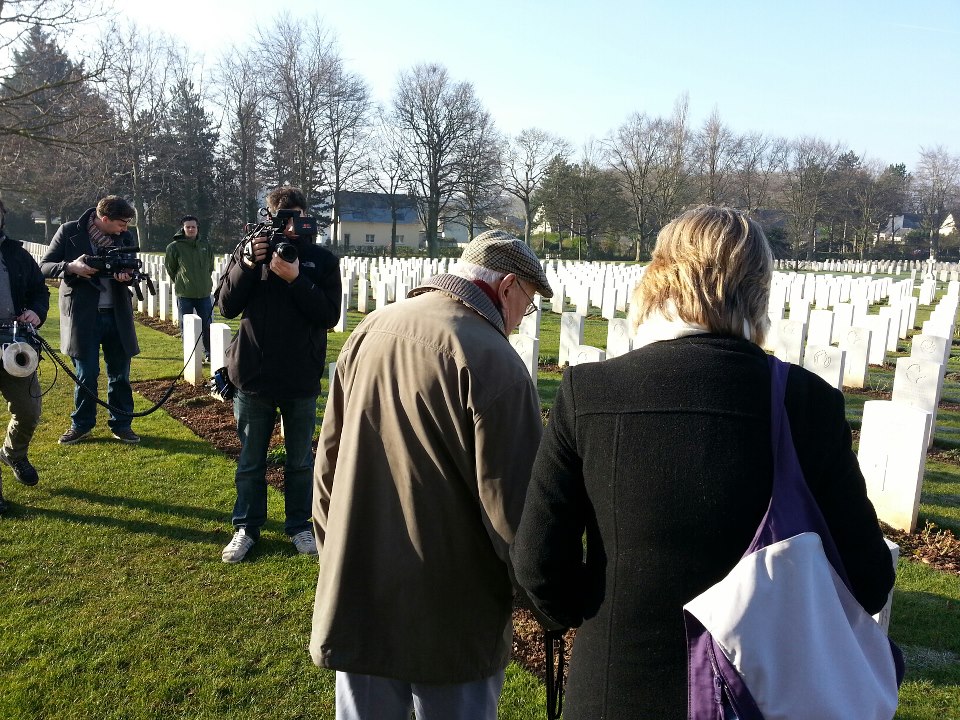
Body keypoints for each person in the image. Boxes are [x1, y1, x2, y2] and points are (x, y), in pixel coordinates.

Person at [510, 206, 896, 719]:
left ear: (659, 276)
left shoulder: (588, 394)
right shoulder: (807, 403)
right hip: (762, 693)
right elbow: (867, 576)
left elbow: (538, 568)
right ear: (758, 289)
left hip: (616, 687)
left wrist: (613, 600)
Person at [309, 229, 553, 720]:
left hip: (359, 589)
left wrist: (334, 551)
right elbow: (514, 509)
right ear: (506, 288)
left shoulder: (372, 327)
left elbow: (328, 464)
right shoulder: (494, 362)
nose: (521, 319)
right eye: (525, 305)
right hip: (450, 613)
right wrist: (541, 593)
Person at [217, 186, 341, 563]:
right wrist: (248, 265)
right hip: (253, 373)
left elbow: (329, 316)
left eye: (298, 217)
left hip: (300, 376)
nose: (291, 227)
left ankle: (300, 525)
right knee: (251, 459)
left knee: (300, 460)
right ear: (270, 217)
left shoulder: (321, 260)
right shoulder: (249, 252)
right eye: (283, 218)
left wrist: (295, 277)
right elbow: (225, 306)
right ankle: (247, 527)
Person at [40, 196, 141, 445]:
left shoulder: (125, 238)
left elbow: (133, 272)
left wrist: (126, 277)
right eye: (122, 223)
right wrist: (71, 267)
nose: (125, 229)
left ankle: (122, 423)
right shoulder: (69, 231)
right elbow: (43, 266)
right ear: (104, 219)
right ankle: (81, 424)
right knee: (86, 374)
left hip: (116, 314)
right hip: (83, 315)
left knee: (120, 374)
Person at [0, 200, 49, 513]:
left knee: (29, 410)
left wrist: (36, 311)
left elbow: (39, 290)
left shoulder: (16, 254)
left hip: (15, 343)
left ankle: (13, 453)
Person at [165, 215, 214, 362]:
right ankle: (190, 355)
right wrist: (183, 282)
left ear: (197, 228)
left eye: (193, 226)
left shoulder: (205, 245)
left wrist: (203, 281)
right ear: (183, 228)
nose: (191, 229)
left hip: (204, 293)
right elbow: (171, 269)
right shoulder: (174, 247)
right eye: (188, 227)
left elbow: (210, 267)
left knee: (207, 325)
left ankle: (209, 353)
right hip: (185, 293)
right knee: (186, 327)